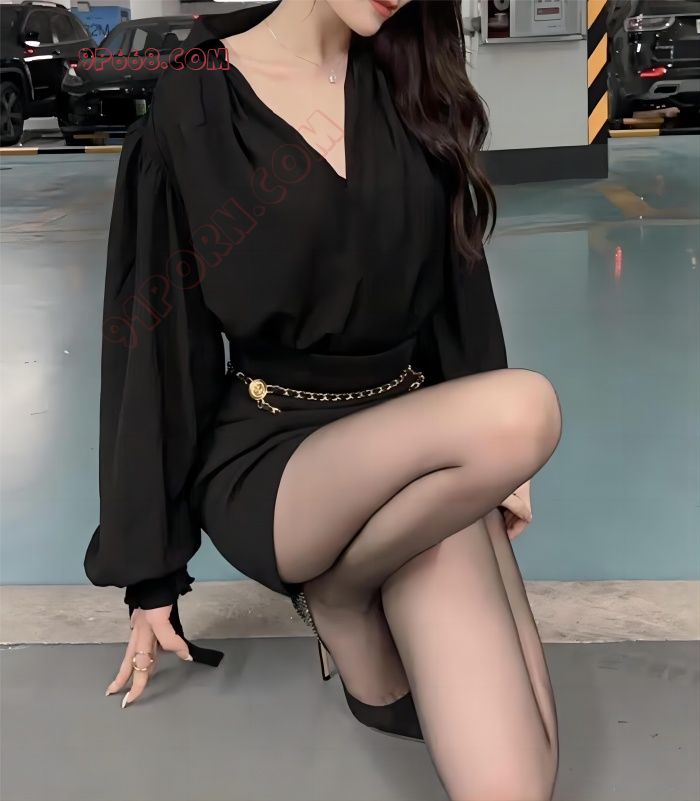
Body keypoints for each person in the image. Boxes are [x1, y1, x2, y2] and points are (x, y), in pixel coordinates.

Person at [85, 1, 563, 798]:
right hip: (274, 453)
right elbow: (156, 341)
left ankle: (340, 593)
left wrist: (491, 469)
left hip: (412, 438)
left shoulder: (410, 77)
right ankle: (335, 588)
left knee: (519, 779)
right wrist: (151, 572)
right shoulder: (195, 100)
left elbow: (458, 280)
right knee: (525, 410)